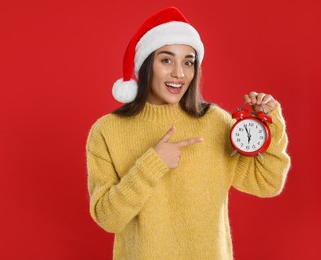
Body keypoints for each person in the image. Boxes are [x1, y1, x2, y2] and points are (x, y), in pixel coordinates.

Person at [86, 6, 290, 259]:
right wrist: (153, 164)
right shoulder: (107, 131)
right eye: (166, 60)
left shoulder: (215, 122)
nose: (179, 73)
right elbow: (109, 219)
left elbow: (267, 183)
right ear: (146, 64)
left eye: (188, 62)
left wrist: (269, 124)